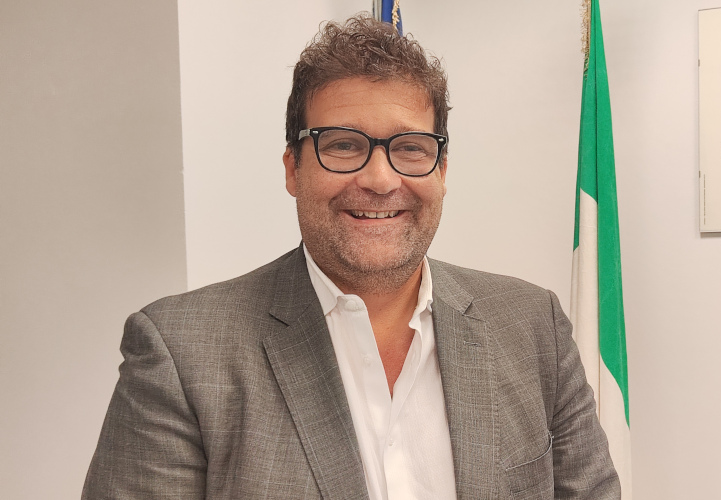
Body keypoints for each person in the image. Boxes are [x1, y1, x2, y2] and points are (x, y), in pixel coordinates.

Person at [83, 14, 619, 500]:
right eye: (342, 145)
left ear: (442, 171)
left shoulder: (533, 326)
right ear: (293, 169)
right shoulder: (182, 354)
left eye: (410, 148)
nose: (380, 179)